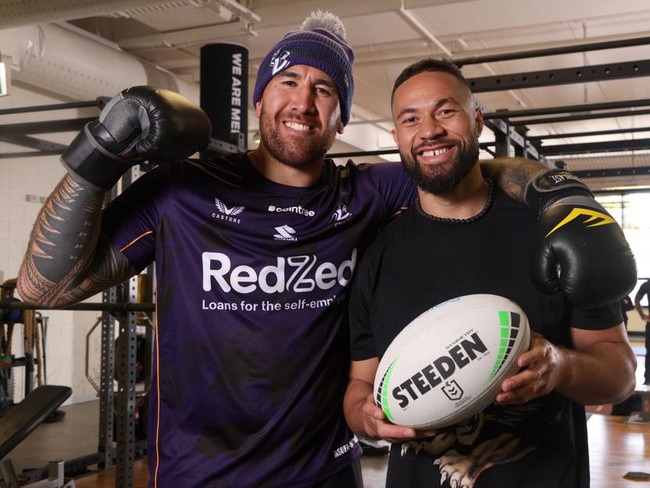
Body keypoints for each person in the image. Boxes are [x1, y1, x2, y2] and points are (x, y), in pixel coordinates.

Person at [16, 11, 635, 488]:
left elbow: (458, 164)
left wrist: (560, 193)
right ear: (259, 99)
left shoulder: (369, 192)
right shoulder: (185, 193)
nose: (304, 103)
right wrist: (97, 154)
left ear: (340, 118)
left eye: (324, 91)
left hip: (326, 473)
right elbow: (42, 289)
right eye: (288, 81)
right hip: (200, 474)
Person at [343, 58, 638, 488]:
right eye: (411, 119)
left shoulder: (547, 233)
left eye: (445, 111)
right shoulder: (377, 256)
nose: (429, 130)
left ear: (477, 120)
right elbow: (359, 387)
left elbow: (622, 374)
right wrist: (366, 418)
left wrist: (560, 367)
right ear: (397, 138)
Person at [634, 279, 650, 384]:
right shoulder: (647, 284)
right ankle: (648, 379)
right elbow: (637, 300)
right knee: (649, 353)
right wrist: (643, 316)